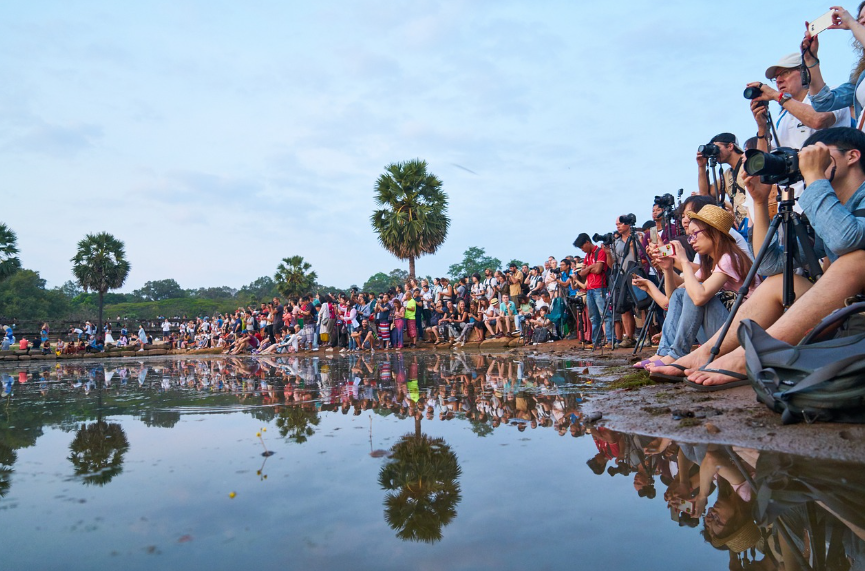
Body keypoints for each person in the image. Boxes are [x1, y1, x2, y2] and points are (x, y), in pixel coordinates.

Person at [674, 127, 865, 388]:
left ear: (852, 156)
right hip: (846, 312)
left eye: (818, 154)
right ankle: (706, 352)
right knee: (777, 281)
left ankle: (749, 357)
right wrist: (760, 204)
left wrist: (814, 178)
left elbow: (847, 239)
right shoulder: (827, 209)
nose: (809, 161)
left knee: (856, 260)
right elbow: (770, 264)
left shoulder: (837, 200)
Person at [642, 205, 756, 376]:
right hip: (725, 333)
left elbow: (698, 297)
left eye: (695, 234)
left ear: (714, 232)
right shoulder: (712, 263)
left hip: (743, 337)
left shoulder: (730, 258)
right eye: (690, 236)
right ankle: (666, 353)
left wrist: (684, 262)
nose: (692, 240)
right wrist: (667, 269)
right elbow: (675, 298)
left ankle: (676, 355)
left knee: (694, 292)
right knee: (685, 293)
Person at [805, 5, 865, 126]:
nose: (862, 21)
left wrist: (851, 22)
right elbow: (823, 102)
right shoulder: (861, 78)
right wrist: (811, 59)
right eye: (860, 18)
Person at [697, 133, 750, 231]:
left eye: (716, 147)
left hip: (756, 221)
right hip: (743, 227)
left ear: (730, 146)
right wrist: (701, 166)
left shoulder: (748, 164)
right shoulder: (727, 174)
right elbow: (705, 194)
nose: (715, 152)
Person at [575, 233, 613, 348]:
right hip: (590, 288)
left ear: (587, 242)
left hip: (599, 286)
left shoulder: (599, 252)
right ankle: (596, 341)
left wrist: (588, 267)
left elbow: (598, 270)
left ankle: (610, 340)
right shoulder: (588, 256)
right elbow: (581, 273)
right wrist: (592, 266)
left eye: (582, 247)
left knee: (604, 314)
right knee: (593, 317)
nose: (582, 250)